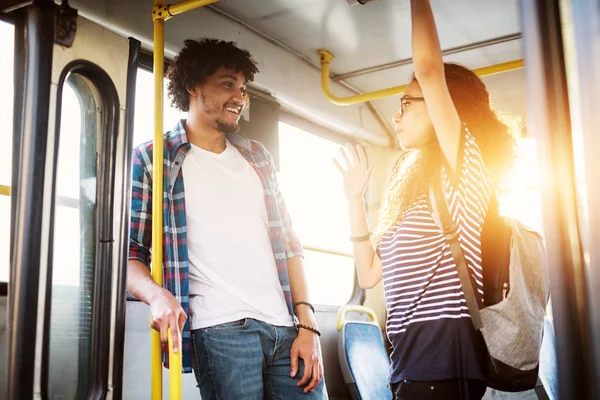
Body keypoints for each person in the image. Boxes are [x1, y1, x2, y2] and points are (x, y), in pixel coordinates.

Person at [334, 1, 516, 399]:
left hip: (445, 365)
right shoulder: (414, 199)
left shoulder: (462, 174)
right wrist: (353, 199)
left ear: (441, 108)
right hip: (408, 367)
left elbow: (430, 71)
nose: (396, 116)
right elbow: (367, 275)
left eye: (407, 104)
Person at [128, 38, 327, 399]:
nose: (239, 96)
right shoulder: (153, 158)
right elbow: (129, 255)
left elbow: (290, 244)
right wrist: (158, 297)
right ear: (193, 85)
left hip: (286, 329)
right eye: (227, 84)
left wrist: (308, 324)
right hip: (220, 331)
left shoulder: (258, 157)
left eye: (243, 88)